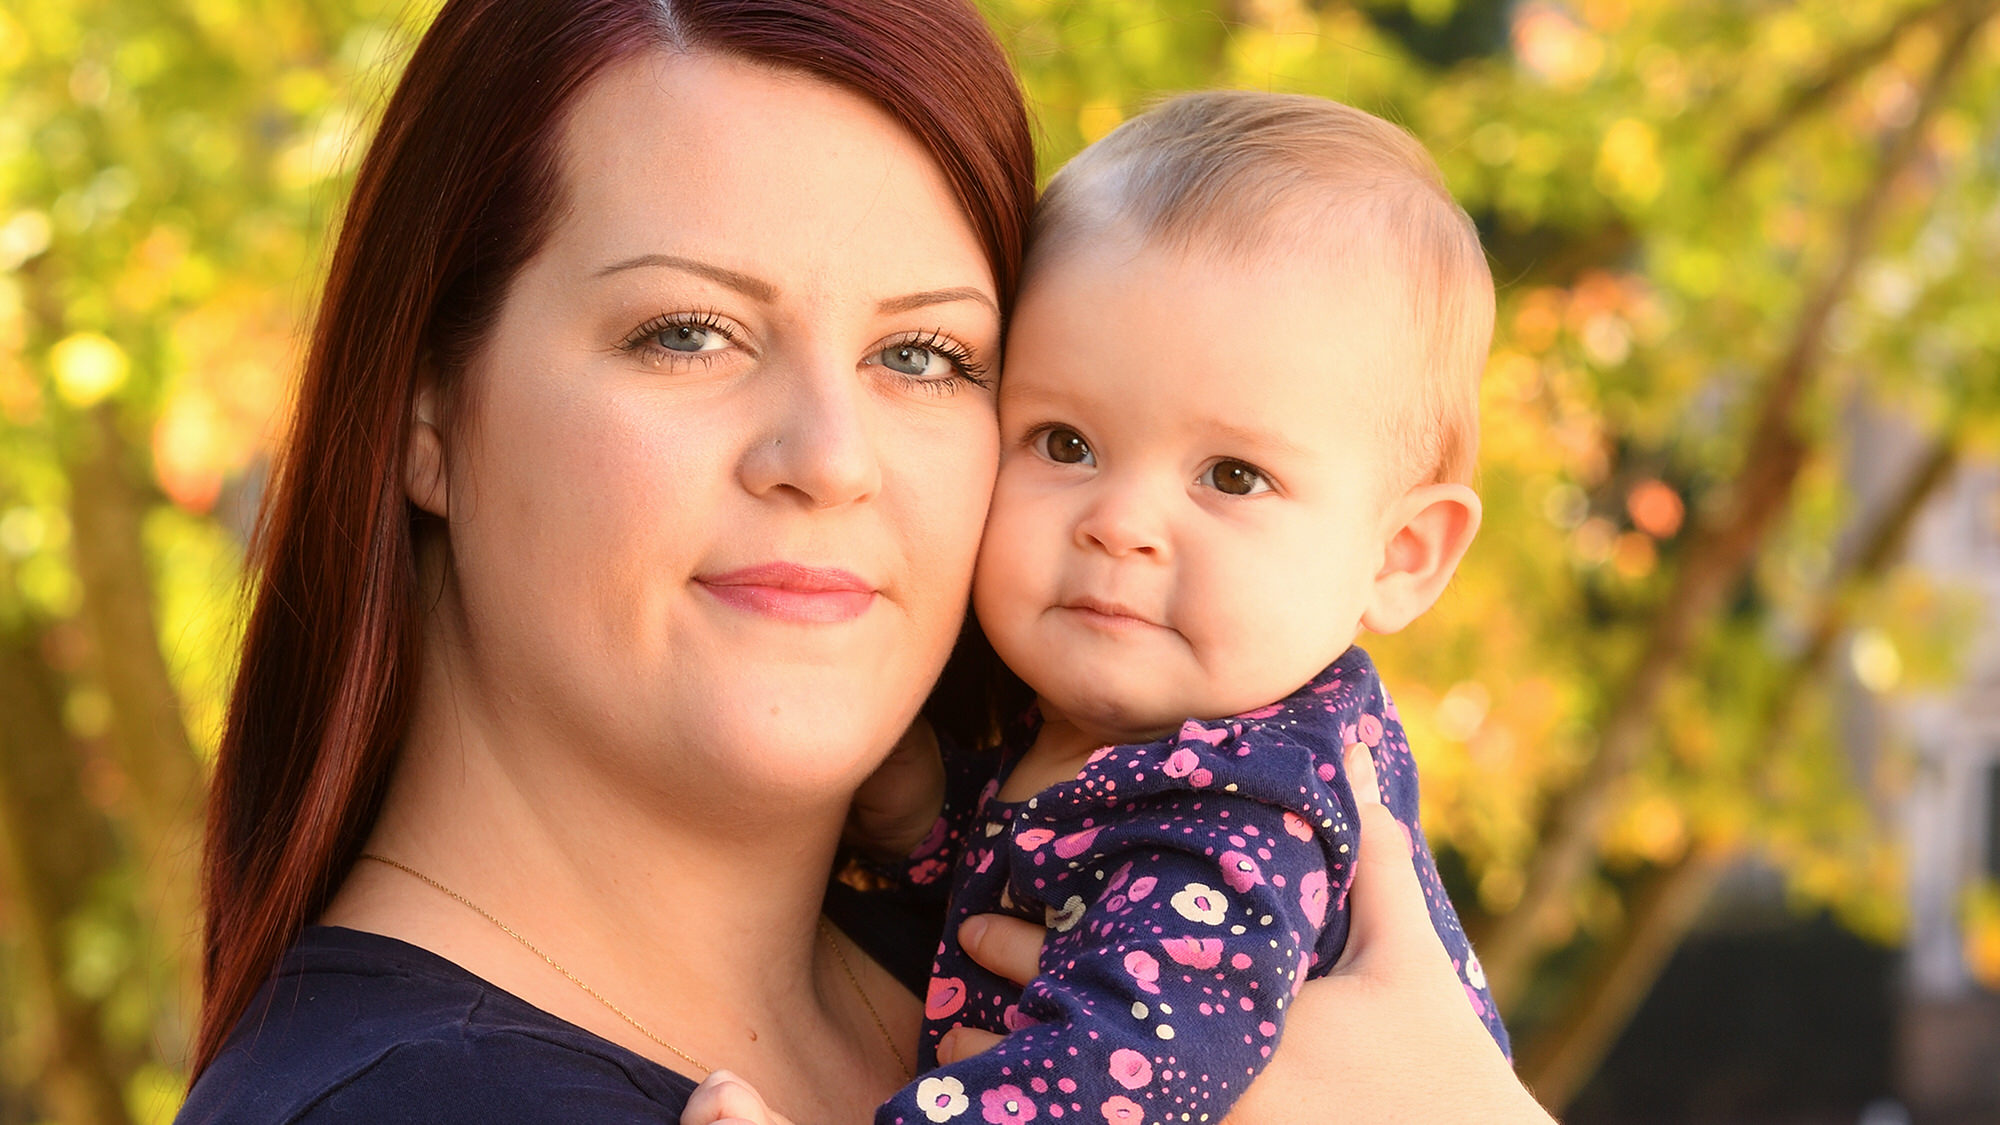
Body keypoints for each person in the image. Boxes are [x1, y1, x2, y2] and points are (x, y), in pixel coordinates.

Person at [174, 1, 1557, 1122]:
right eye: (687, 332)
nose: (828, 456)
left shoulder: (1039, 957)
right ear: (426, 406)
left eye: (924, 355)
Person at [682, 91, 1506, 1125]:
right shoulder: (1144, 740)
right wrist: (930, 822)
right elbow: (1042, 886)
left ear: (1398, 555)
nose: (1119, 524)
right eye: (1064, 443)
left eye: (1232, 476)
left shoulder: (1248, 815)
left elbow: (1116, 1080)